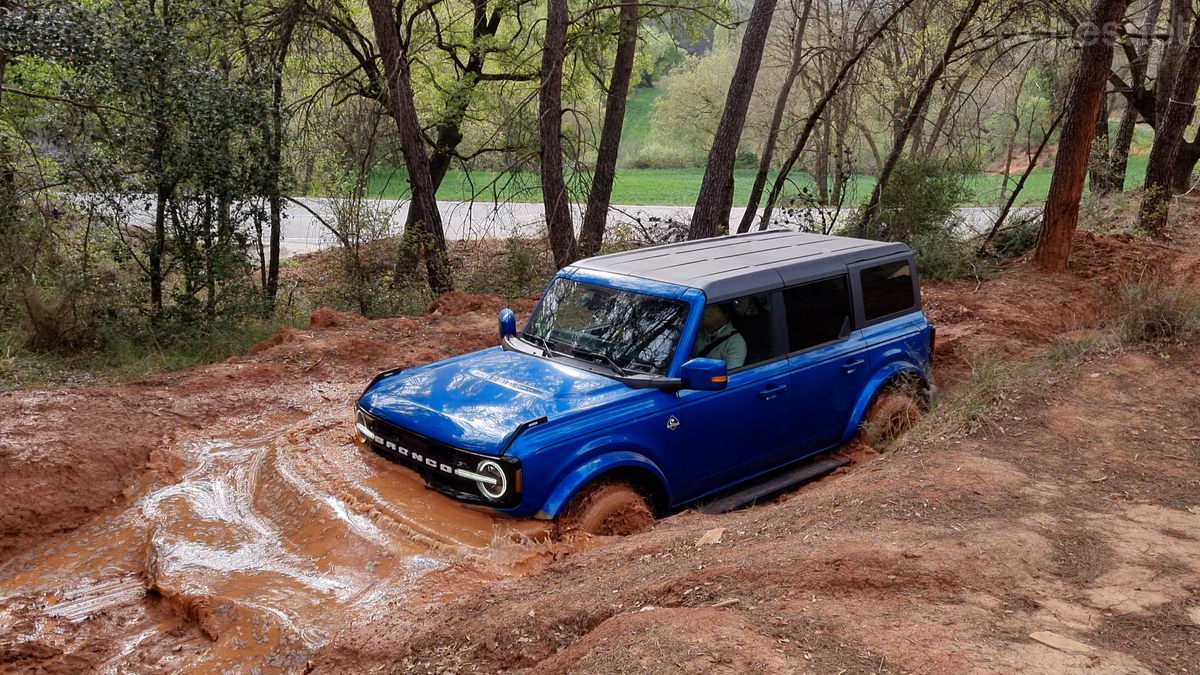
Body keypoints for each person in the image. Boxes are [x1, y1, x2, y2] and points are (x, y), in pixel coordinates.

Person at [692, 304, 746, 369]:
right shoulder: (695, 332)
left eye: (712, 308)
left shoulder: (736, 343)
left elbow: (729, 374)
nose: (706, 311)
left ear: (725, 316)